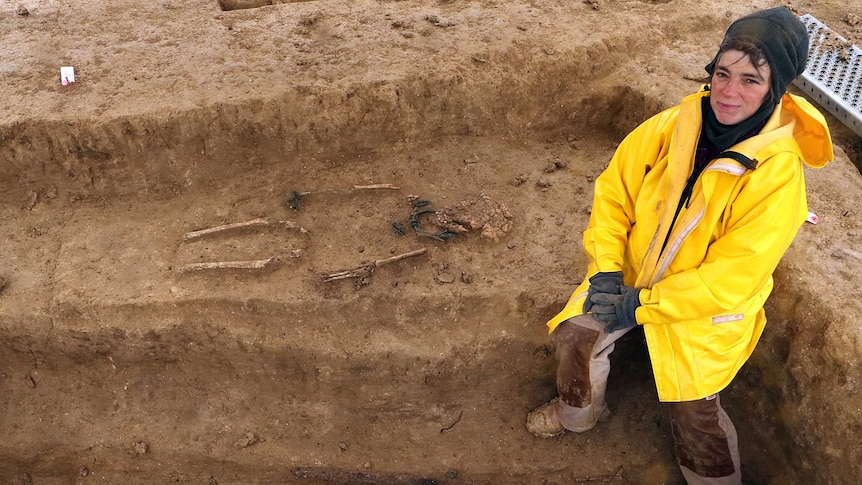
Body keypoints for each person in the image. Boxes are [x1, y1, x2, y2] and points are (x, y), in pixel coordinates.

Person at [525, 7, 833, 484]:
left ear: (778, 89)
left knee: (694, 411)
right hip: (628, 276)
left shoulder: (778, 177)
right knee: (577, 338)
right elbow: (614, 195)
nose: (729, 93)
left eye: (751, 80)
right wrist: (607, 270)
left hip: (703, 310)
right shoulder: (673, 125)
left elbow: (732, 278)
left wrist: (642, 306)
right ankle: (576, 417)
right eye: (722, 73)